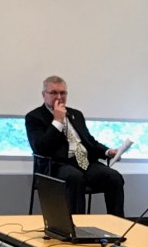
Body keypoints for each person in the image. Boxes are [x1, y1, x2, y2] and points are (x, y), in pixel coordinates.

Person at [25, 76, 125, 217]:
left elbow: (89, 141)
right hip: (55, 165)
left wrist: (108, 152)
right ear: (44, 95)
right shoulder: (34, 117)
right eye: (53, 93)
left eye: (63, 93)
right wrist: (57, 121)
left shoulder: (75, 114)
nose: (59, 97)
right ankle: (77, 227)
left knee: (113, 177)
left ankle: (118, 224)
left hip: (84, 162)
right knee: (75, 177)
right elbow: (40, 148)